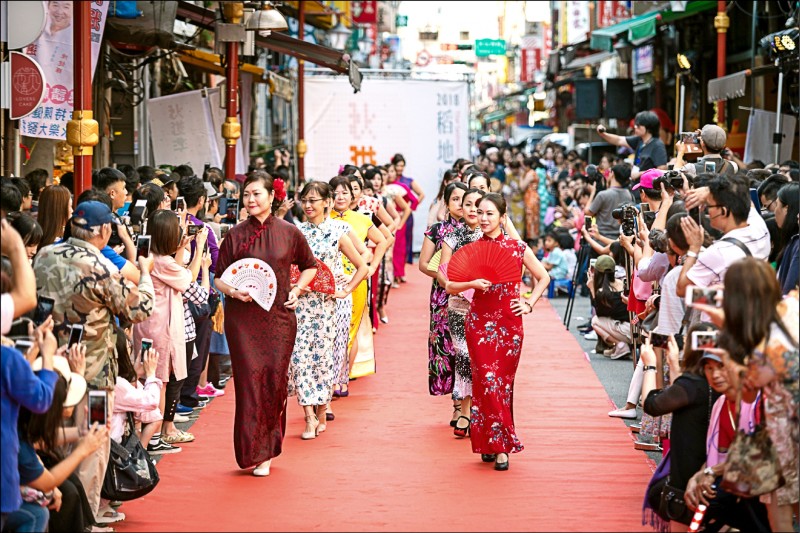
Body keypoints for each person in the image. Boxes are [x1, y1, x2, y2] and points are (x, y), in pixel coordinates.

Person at [33, 200, 155, 521]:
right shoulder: (98, 265)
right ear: (103, 231)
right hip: (96, 373)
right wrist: (144, 276)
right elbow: (137, 309)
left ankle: (58, 515)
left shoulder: (43, 255)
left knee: (54, 438)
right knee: (93, 439)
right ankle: (85, 519)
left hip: (51, 367)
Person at [215, 173, 318, 477]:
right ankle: (250, 450)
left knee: (274, 382)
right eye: (246, 195)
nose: (250, 200)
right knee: (249, 384)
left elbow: (310, 266)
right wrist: (234, 291)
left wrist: (297, 291)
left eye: (256, 194)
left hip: (278, 319)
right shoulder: (234, 235)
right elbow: (219, 276)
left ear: (272, 197)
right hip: (242, 320)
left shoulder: (290, 232)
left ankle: (267, 451)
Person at [444, 193, 550, 471]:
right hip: (478, 323)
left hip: (509, 325)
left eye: (490, 213)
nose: (484, 218)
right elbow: (449, 286)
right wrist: (472, 282)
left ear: (502, 217)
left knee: (501, 385)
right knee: (485, 382)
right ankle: (498, 446)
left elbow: (544, 277)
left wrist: (528, 302)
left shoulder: (517, 247)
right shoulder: (470, 247)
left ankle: (494, 443)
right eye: (480, 213)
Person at [715, 259, 798, 533]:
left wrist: (727, 352)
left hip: (786, 437)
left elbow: (747, 391)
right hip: (784, 432)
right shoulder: (792, 307)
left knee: (782, 516)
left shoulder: (763, 337)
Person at [289, 181, 368, 439]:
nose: (309, 205)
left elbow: (362, 266)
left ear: (327, 202)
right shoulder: (296, 232)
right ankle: (309, 416)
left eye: (314, 200)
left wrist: (345, 289)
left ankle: (322, 408)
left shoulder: (337, 231)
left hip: (326, 308)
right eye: (305, 200)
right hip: (299, 306)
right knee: (299, 359)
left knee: (322, 360)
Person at [133, 209, 207, 453]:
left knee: (145, 378)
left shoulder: (148, 255)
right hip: (162, 330)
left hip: (144, 326)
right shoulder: (164, 262)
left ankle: (146, 433)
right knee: (160, 381)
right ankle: (153, 438)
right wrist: (199, 247)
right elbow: (189, 280)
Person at [640, 324, 722, 529]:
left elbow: (651, 404)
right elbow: (684, 400)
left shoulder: (691, 384)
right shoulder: (714, 383)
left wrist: (650, 365)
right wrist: (674, 365)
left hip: (687, 475)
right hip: (715, 469)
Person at [329, 176, 388, 393]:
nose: (340, 197)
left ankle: (343, 376)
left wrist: (370, 268)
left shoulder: (362, 219)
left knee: (350, 329)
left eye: (345, 192)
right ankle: (332, 376)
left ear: (353, 195)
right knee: (332, 330)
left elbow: (383, 240)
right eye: (335, 192)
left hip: (355, 281)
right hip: (329, 284)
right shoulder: (324, 219)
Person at [438, 188, 485, 435]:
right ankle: (464, 410)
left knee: (483, 358)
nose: (473, 210)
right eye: (468, 204)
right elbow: (444, 271)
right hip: (458, 304)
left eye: (479, 205)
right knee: (464, 354)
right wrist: (464, 286)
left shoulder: (493, 238)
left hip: (486, 307)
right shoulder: (452, 237)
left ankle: (482, 409)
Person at [418, 182, 466, 416]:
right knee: (447, 348)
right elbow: (424, 264)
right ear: (446, 203)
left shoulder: (476, 231)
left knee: (467, 349)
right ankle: (457, 405)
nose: (460, 204)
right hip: (442, 296)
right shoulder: (437, 230)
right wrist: (445, 276)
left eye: (464, 200)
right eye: (454, 199)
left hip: (471, 295)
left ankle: (468, 402)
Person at [596, 110, 668, 179]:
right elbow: (618, 140)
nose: (635, 127)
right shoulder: (639, 140)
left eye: (638, 125)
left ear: (648, 128)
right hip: (636, 186)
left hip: (648, 188)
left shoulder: (657, 145)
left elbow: (661, 171)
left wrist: (639, 174)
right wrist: (603, 134)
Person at [588, 255, 633, 360]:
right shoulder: (622, 283)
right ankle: (619, 346)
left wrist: (592, 289)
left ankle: (620, 345)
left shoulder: (602, 292)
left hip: (625, 330)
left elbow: (599, 313)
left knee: (595, 321)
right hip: (634, 327)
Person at [391, 154, 426, 266]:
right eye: (398, 165)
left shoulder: (408, 180)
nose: (400, 168)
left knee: (407, 240)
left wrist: (410, 208)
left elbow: (421, 194)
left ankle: (405, 264)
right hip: (392, 214)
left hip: (406, 215)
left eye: (402, 165)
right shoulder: (389, 180)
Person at [36, 185, 73, 253]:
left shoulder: (34, 239)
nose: (72, 210)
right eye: (70, 206)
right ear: (59, 210)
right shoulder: (62, 247)